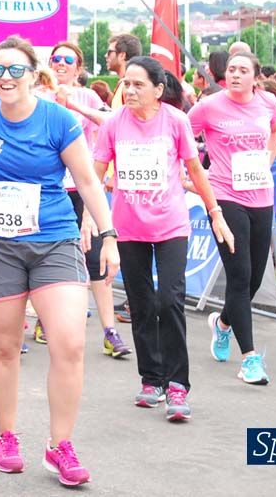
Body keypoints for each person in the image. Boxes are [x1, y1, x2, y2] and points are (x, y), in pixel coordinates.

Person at [0, 35, 119, 488]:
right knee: (5, 347)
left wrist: (108, 235)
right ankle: (6, 437)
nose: (5, 78)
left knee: (69, 342)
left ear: (33, 74)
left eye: (15, 70)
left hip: (53, 239)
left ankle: (60, 445)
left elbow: (87, 180)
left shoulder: (56, 119)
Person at [92, 56, 233, 421]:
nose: (131, 90)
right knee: (141, 304)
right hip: (128, 226)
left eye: (139, 84)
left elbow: (194, 169)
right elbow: (94, 175)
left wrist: (215, 212)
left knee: (170, 300)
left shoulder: (175, 121)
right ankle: (151, 378)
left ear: (158, 89)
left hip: (170, 224)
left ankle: (177, 384)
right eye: (127, 83)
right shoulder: (113, 124)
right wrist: (89, 221)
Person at [188, 47, 276, 386]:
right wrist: (192, 176)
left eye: (243, 70)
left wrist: (268, 159)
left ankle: (222, 324)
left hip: (261, 195)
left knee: (254, 280)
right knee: (239, 277)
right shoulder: (209, 107)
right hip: (225, 197)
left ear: (256, 77)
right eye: (231, 69)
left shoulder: (268, 103)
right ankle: (250, 359)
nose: (236, 74)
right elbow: (183, 138)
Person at [40, 42, 127, 358]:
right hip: (46, 191)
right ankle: (41, 322)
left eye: (67, 60)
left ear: (78, 68)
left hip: (81, 190)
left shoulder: (87, 97)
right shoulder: (36, 95)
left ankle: (110, 332)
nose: (60, 64)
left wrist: (74, 106)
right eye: (55, 59)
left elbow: (112, 122)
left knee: (95, 261)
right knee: (43, 256)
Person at [105, 33, 142, 108]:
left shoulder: (128, 87)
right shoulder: (123, 84)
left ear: (122, 55)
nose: (106, 55)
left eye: (109, 52)